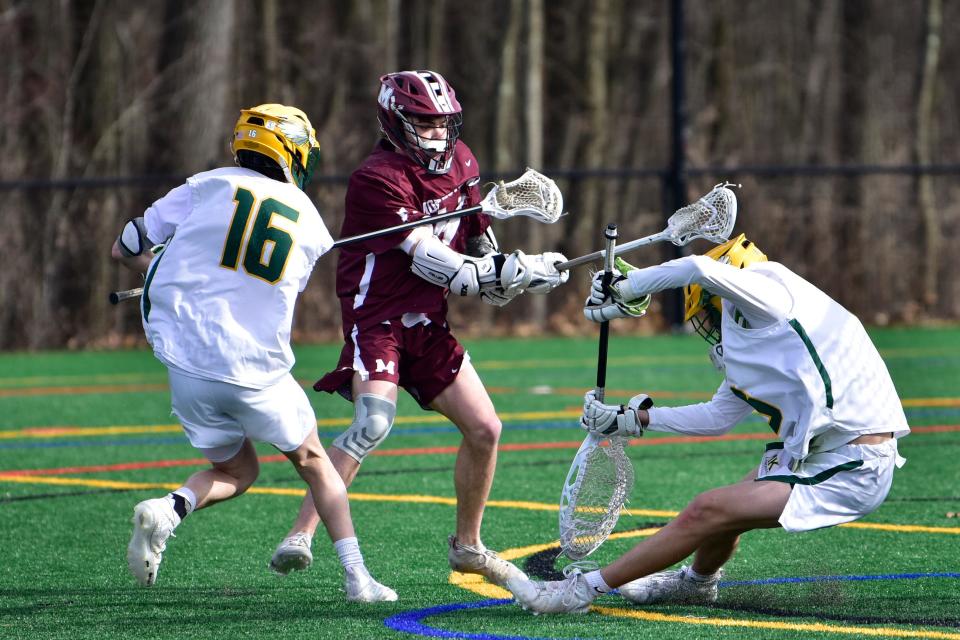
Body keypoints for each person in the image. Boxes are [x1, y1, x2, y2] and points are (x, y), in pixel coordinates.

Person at [268, 70, 569, 590]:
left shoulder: (466, 162)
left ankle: (468, 547)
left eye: (442, 123)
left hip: (427, 322)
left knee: (486, 429)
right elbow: (430, 259)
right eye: (424, 123)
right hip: (377, 316)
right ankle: (302, 533)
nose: (436, 134)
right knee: (373, 424)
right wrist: (492, 274)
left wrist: (517, 275)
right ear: (395, 122)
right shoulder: (376, 177)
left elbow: (478, 245)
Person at [508, 233, 909, 614]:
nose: (706, 322)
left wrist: (629, 287)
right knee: (726, 511)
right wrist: (632, 420)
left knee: (706, 509)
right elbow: (717, 417)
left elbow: (698, 268)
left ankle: (580, 591)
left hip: (854, 465)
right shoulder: (765, 333)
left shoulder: (771, 292)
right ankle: (698, 584)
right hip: (826, 454)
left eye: (708, 308)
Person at [112, 104, 396, 602]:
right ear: (292, 152)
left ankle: (169, 509)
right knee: (314, 462)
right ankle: (359, 579)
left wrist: (164, 262)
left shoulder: (203, 184)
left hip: (187, 367)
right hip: (254, 369)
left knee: (237, 472)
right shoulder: (309, 220)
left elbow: (125, 248)